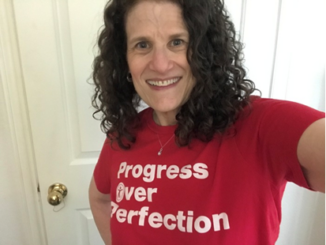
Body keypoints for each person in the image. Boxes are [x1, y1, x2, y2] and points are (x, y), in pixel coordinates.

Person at [88, 0, 326, 244]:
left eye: (177, 42)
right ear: (124, 59)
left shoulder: (259, 125)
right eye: (142, 45)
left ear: (205, 50)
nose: (160, 64)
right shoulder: (123, 135)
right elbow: (99, 199)